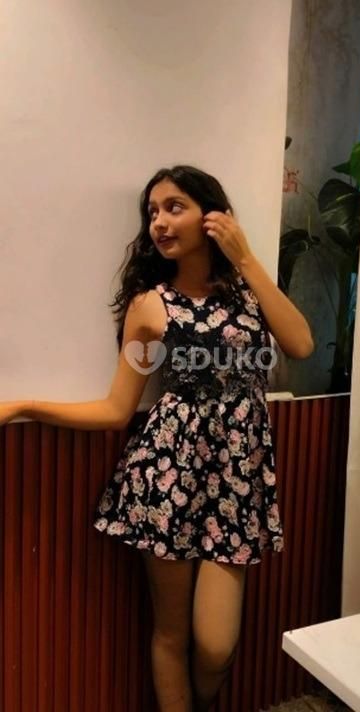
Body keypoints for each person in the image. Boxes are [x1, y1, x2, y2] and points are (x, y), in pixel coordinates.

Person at [0, 164, 314, 712]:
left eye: (174, 207)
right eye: (152, 212)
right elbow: (116, 408)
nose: (160, 223)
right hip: (166, 477)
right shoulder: (150, 306)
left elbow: (302, 344)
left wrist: (245, 257)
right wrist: (25, 405)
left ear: (212, 217)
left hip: (237, 482)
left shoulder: (248, 291)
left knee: (216, 645)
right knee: (171, 633)